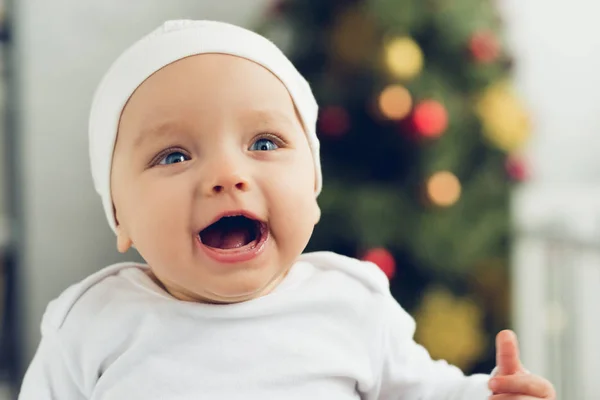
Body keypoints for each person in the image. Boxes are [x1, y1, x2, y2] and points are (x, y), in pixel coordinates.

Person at [18, 20, 555, 400]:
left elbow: (427, 391)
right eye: (174, 155)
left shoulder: (349, 304)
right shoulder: (92, 326)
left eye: (265, 143)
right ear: (121, 216)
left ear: (314, 189)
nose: (228, 176)